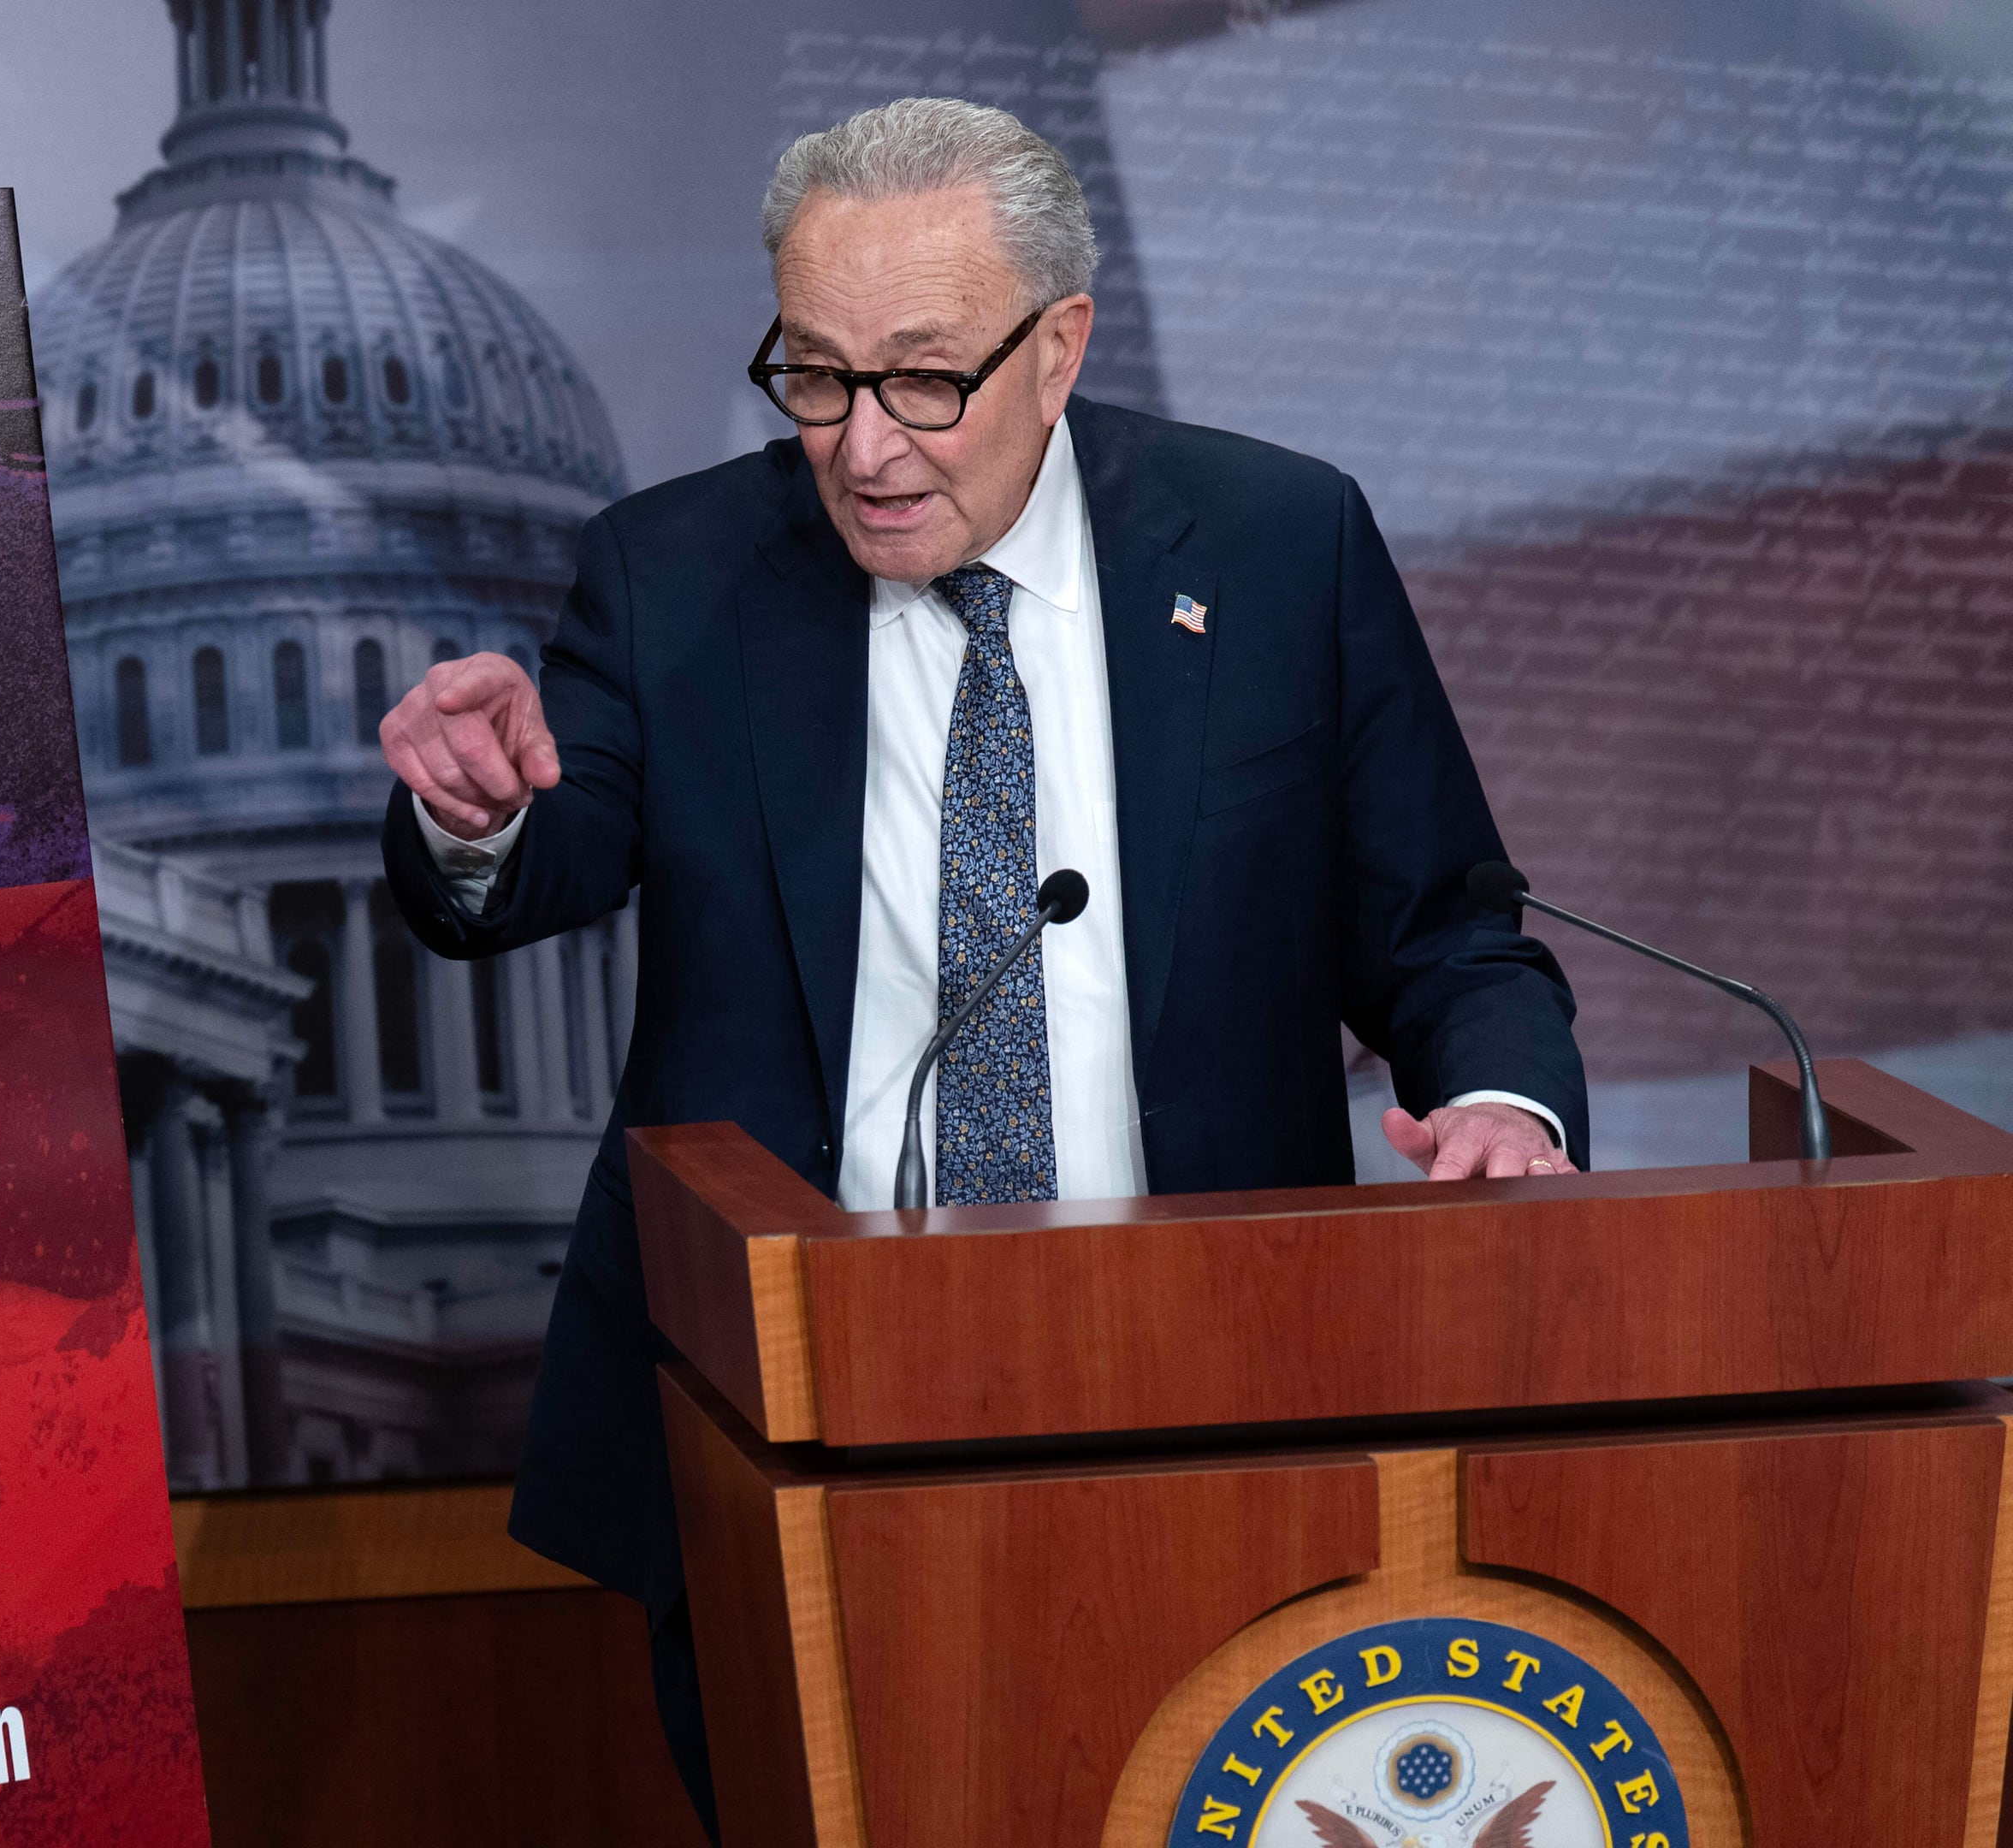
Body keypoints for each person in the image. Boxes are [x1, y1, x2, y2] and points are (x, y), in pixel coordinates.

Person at [375, 97, 1587, 1836]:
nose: (865, 446)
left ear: (1059, 346)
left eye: (923, 379)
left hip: (1207, 1397)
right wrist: (477, 813)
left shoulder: (1271, 547)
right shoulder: (676, 573)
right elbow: (527, 866)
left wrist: (1495, 1102)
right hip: (787, 1419)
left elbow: (1444, 929)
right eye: (812, 375)